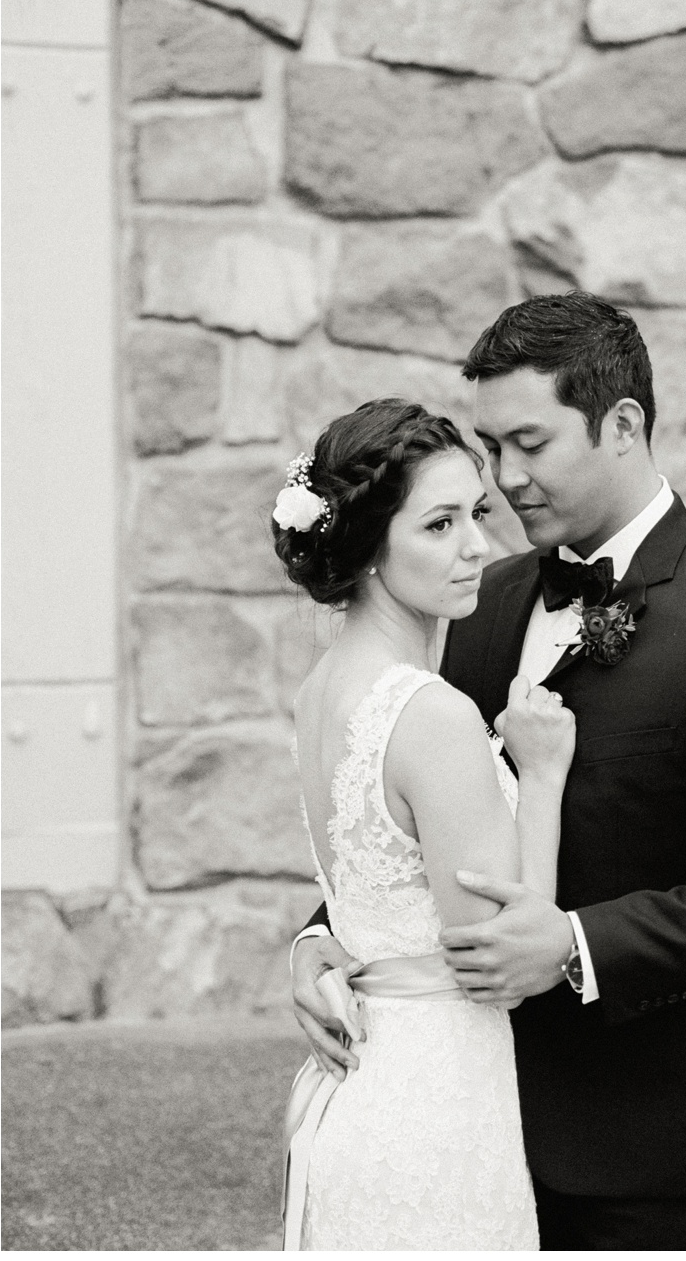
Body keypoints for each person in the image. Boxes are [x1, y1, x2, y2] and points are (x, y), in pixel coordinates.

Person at [291, 293, 686, 1250]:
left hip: (655, 1137)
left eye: (530, 442)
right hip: (466, 1116)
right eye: (490, 446)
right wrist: (323, 938)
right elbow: (409, 811)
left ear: (623, 424)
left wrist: (576, 945)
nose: (504, 479)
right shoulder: (473, 603)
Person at [276, 398, 575, 1249]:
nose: (477, 544)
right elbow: (502, 956)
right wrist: (543, 774)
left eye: (475, 513)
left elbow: (364, 887)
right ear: (371, 546)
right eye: (438, 524)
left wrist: (307, 943)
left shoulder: (318, 691)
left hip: (365, 1079)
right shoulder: (431, 713)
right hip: (437, 1101)